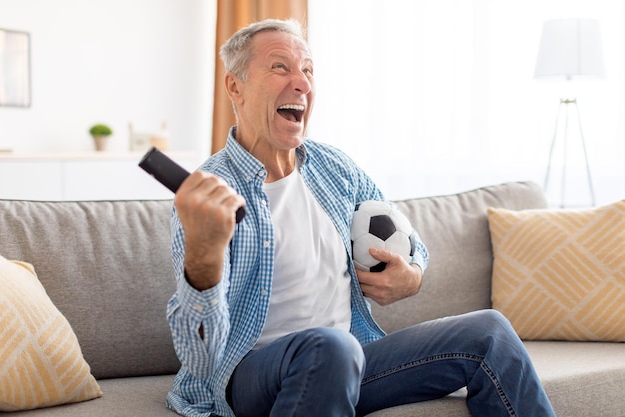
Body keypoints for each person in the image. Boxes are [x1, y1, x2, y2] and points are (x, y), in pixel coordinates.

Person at [165, 18, 556, 417]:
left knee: (489, 331)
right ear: (235, 86)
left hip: (350, 359)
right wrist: (204, 254)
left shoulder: (335, 168)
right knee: (331, 347)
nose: (301, 83)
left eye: (308, 70)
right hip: (250, 374)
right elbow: (200, 355)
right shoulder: (208, 194)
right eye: (280, 67)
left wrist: (412, 273)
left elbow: (409, 240)